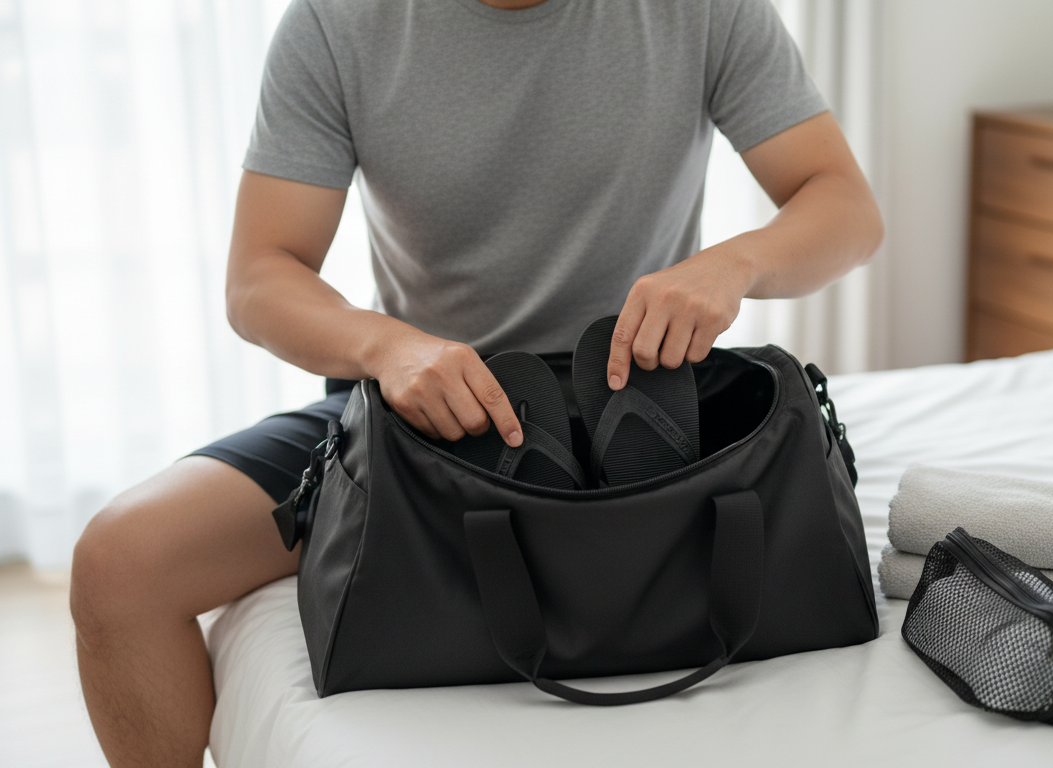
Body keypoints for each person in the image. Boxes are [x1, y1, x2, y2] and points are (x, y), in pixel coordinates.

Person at [68, 0, 883, 765]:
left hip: (640, 403)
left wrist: (734, 265)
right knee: (120, 564)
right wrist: (390, 349)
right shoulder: (338, 21)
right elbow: (260, 276)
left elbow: (846, 207)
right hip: (425, 405)